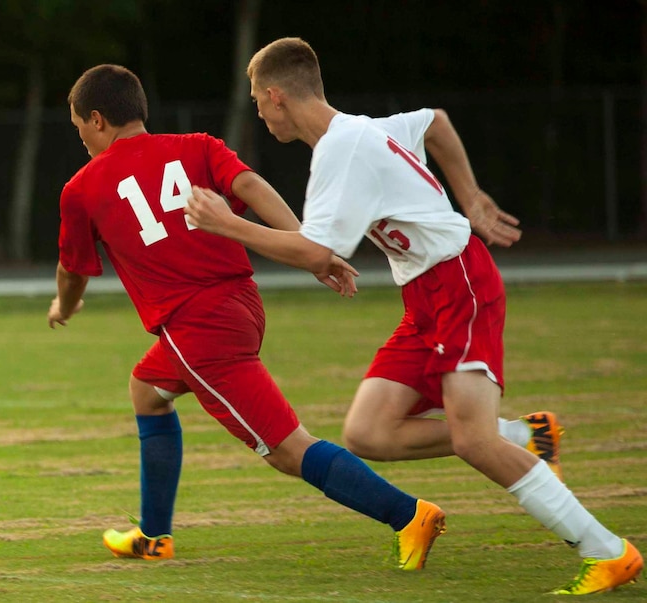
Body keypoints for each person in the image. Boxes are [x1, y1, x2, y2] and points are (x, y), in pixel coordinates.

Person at [183, 37, 643, 595]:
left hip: (460, 286)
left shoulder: (340, 148)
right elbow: (436, 124)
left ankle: (608, 551)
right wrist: (467, 197)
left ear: (277, 96)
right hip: (424, 299)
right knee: (368, 431)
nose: (257, 109)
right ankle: (523, 436)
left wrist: (226, 223)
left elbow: (313, 250)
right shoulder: (361, 129)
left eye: (257, 99)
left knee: (475, 443)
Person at [48, 63, 447, 571]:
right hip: (241, 306)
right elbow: (253, 188)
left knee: (286, 449)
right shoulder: (197, 145)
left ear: (97, 120)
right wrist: (311, 247)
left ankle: (409, 515)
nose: (80, 134)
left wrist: (64, 304)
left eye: (78, 123)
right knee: (147, 391)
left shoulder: (81, 188)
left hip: (198, 330)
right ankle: (154, 536)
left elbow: (72, 268)